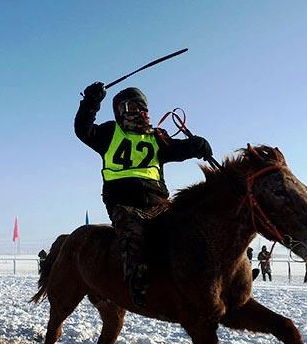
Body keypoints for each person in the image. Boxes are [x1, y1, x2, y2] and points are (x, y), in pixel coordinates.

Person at [75, 82, 212, 307]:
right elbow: (83, 129)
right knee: (135, 234)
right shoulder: (109, 132)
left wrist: (197, 146)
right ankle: (136, 284)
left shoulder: (156, 137)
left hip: (158, 203)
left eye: (138, 107)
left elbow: (177, 150)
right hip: (123, 204)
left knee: (191, 228)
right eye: (127, 108)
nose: (135, 112)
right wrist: (91, 101)